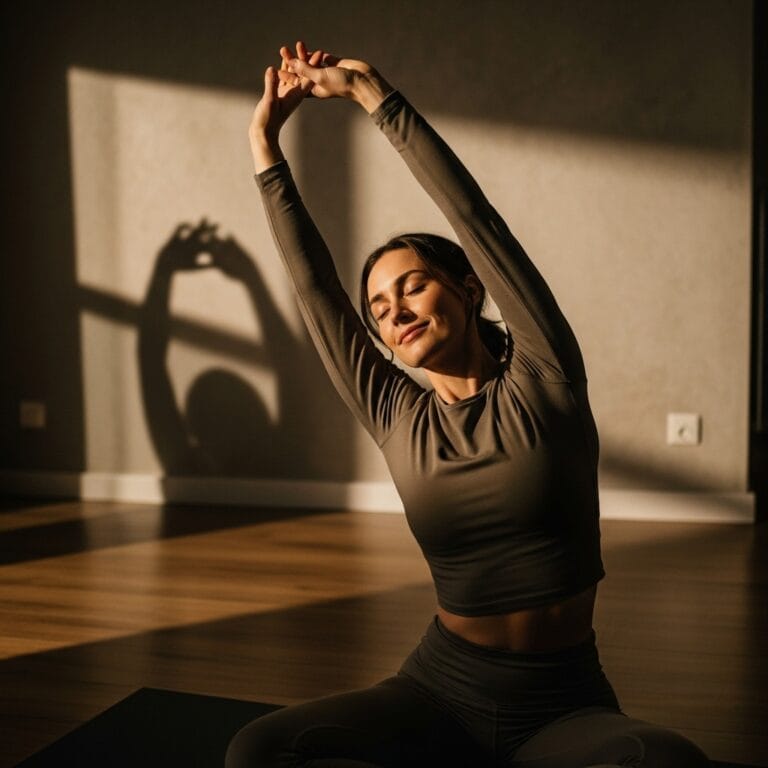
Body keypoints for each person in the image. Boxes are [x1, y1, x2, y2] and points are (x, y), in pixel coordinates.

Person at [227, 42, 711, 767]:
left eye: (413, 286)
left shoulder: (546, 376)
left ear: (469, 289)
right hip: (437, 691)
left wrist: (375, 99)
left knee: (668, 762)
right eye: (380, 308)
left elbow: (475, 220)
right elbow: (314, 290)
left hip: (561, 703)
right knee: (259, 749)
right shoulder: (395, 414)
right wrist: (265, 146)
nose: (395, 312)